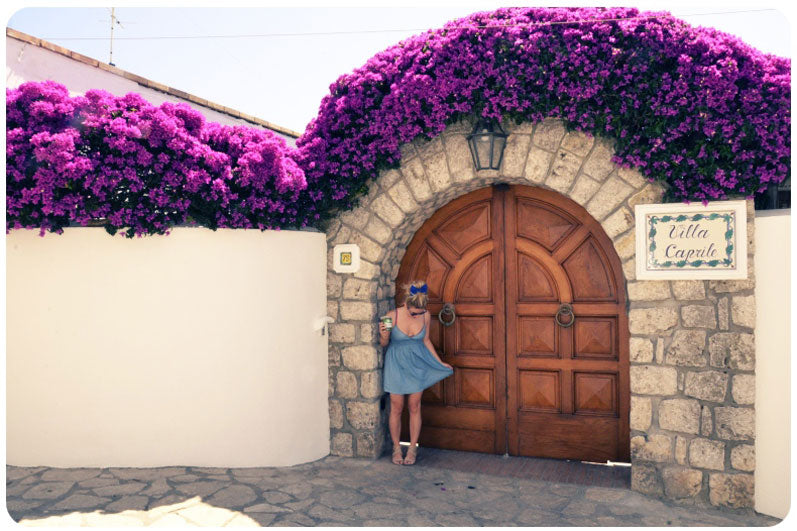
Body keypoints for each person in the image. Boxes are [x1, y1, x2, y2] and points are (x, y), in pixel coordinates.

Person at [379, 280, 453, 465]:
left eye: (420, 313)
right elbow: (384, 344)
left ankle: (412, 448)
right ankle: (397, 448)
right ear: (406, 304)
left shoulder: (426, 316)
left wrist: (438, 362)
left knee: (414, 405)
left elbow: (426, 340)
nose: (416, 316)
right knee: (396, 406)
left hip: (417, 364)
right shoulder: (391, 316)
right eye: (414, 313)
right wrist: (384, 335)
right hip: (396, 364)